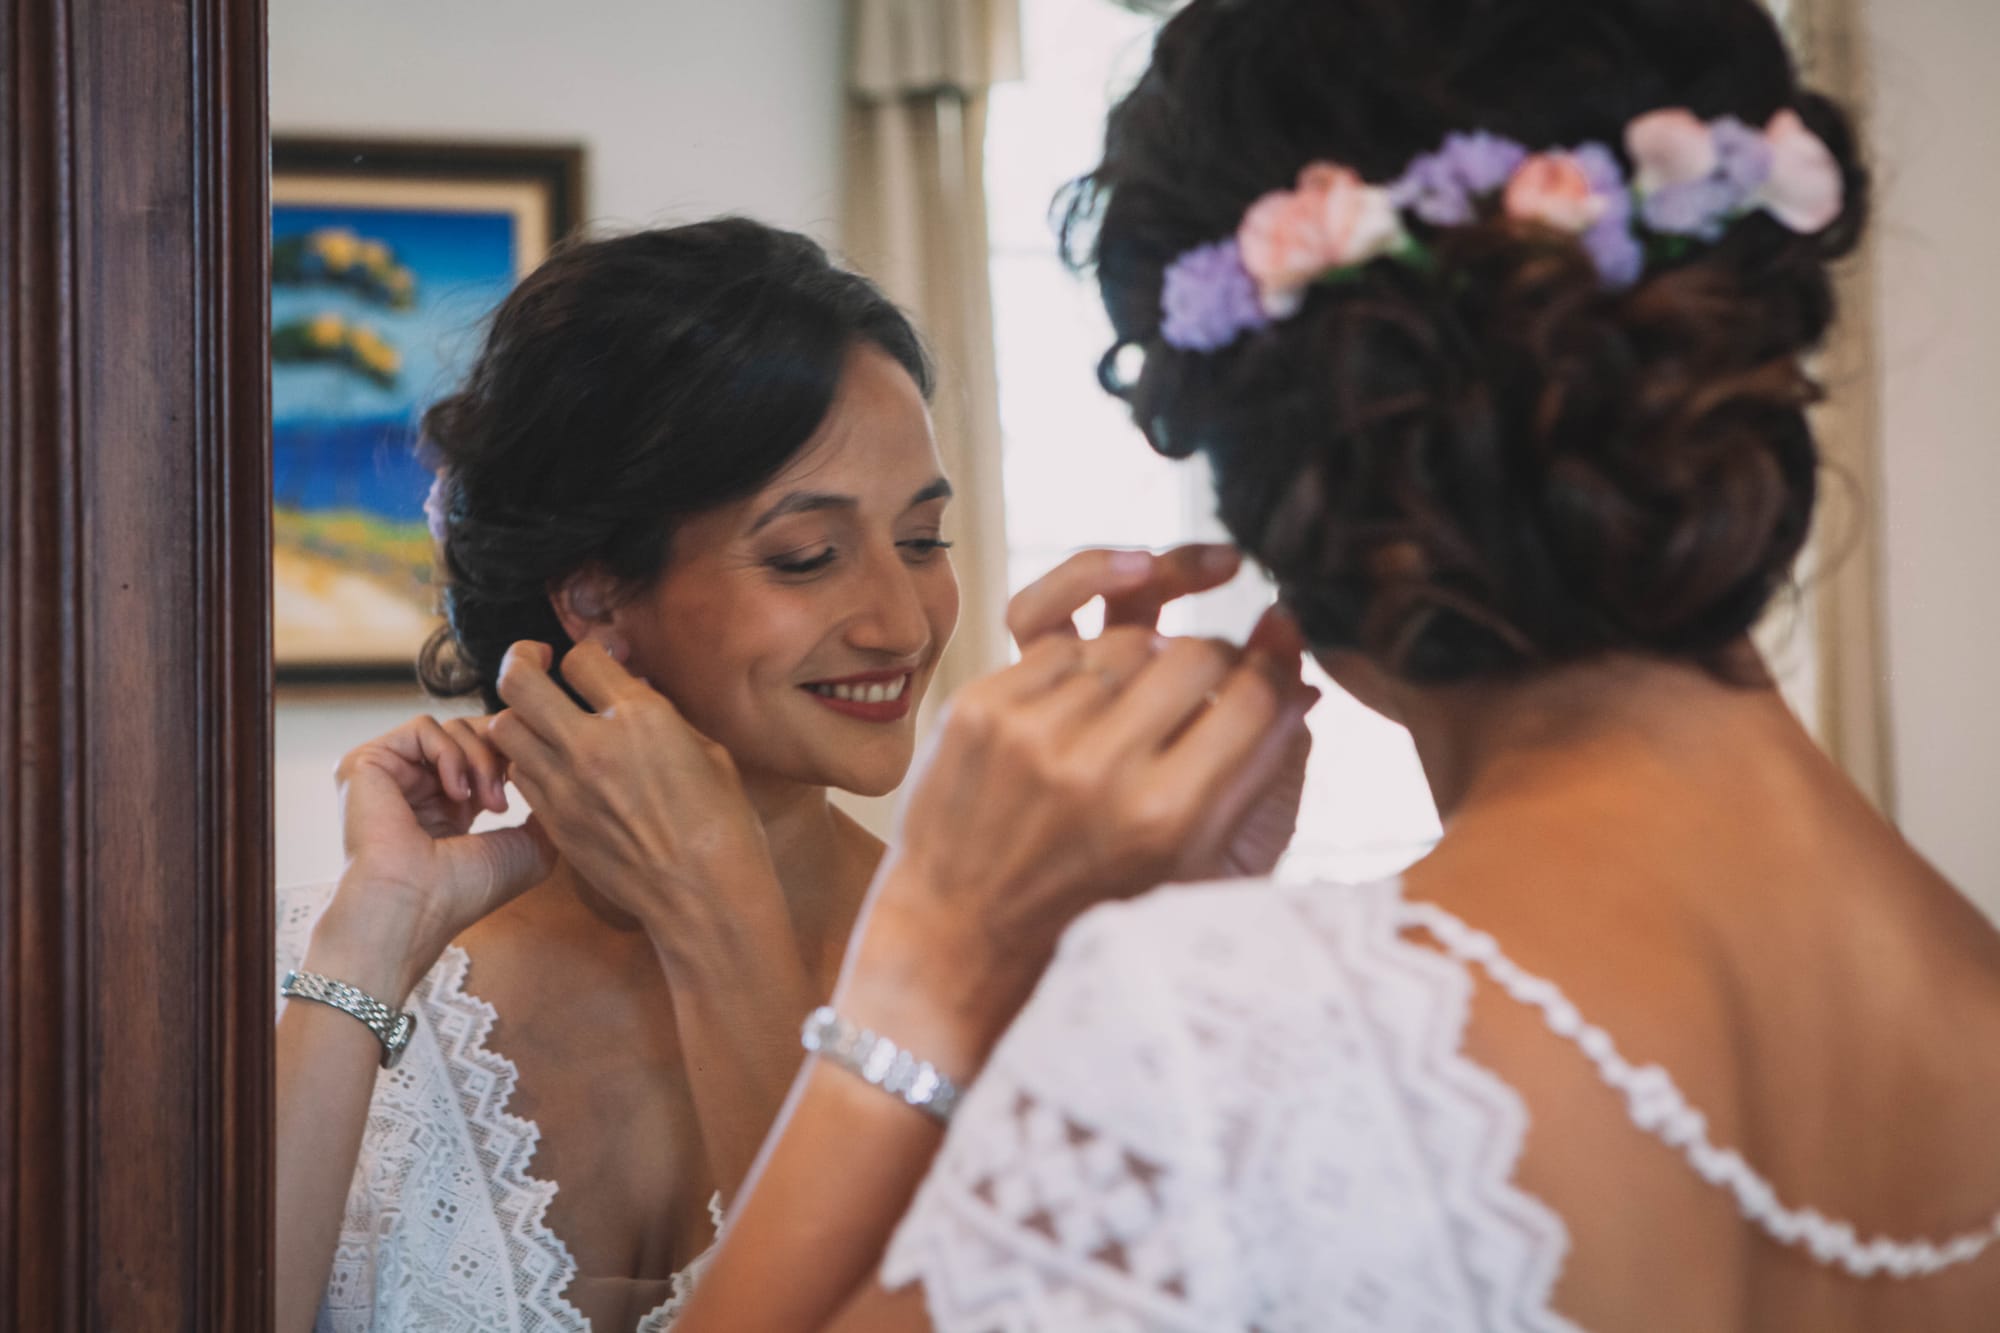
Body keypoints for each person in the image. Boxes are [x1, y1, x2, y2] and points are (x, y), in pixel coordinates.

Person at [500, 1, 2000, 1329]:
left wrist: (943, 953)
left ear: (1284, 458)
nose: (897, 613)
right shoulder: (1963, 994)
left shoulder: (1230, 1040)